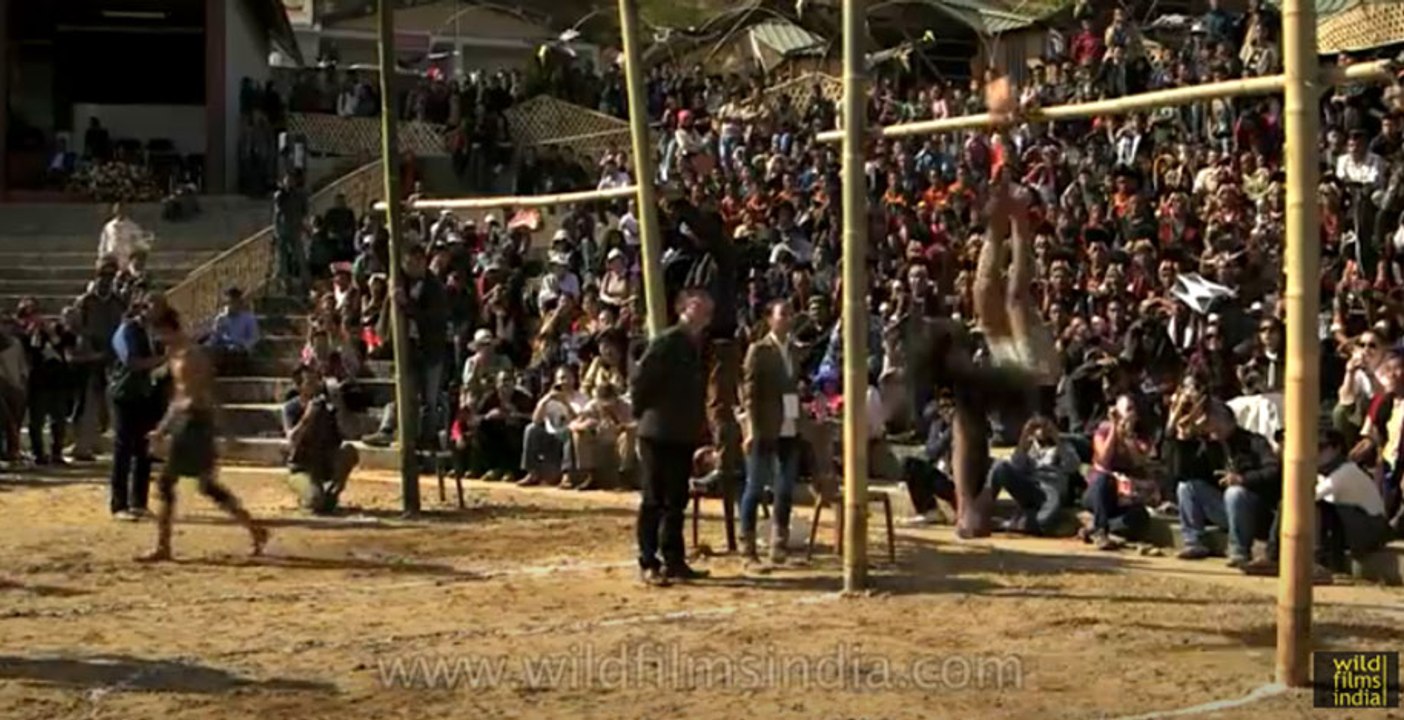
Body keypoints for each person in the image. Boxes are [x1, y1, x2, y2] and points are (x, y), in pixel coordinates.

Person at [141, 306, 267, 561]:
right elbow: (179, 397)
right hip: (188, 422)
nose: (156, 338)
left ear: (166, 328)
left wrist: (225, 431)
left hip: (196, 423)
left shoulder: (192, 356)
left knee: (170, 483)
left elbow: (207, 394)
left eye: (157, 332)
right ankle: (254, 529)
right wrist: (162, 428)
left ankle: (164, 546)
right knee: (205, 485)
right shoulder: (176, 354)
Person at [631, 289, 713, 586]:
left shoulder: (699, 345)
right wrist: (642, 414)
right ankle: (648, 560)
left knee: (676, 500)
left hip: (683, 432)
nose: (702, 312)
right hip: (658, 431)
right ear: (682, 308)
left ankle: (674, 559)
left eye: (706, 309)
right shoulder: (666, 342)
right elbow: (642, 380)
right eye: (695, 305)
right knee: (653, 498)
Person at [740, 299, 802, 564]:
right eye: (782, 314)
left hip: (790, 422)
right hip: (765, 425)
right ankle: (748, 543)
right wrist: (751, 428)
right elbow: (749, 394)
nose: (787, 319)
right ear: (770, 319)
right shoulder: (759, 350)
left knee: (785, 486)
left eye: (790, 314)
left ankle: (779, 541)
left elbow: (795, 385)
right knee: (755, 486)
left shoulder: (795, 351)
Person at [108, 295, 163, 521]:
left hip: (144, 394)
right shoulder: (128, 330)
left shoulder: (153, 333)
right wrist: (164, 359)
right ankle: (119, 504)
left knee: (144, 449)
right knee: (124, 449)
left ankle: (139, 501)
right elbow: (132, 362)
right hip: (125, 394)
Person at [283, 365, 360, 514]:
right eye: (310, 383)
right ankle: (311, 498)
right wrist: (307, 417)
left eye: (317, 381)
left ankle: (332, 494)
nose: (316, 386)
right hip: (302, 468)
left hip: (325, 464)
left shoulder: (328, 404)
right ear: (299, 387)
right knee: (315, 500)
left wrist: (339, 407)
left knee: (349, 452)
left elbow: (350, 432)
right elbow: (292, 440)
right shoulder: (291, 408)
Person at [988, 416, 1080, 535]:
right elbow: (1017, 467)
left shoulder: (1065, 446)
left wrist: (1057, 438)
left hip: (1051, 491)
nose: (1042, 430)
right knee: (1000, 467)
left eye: (1045, 426)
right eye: (1036, 427)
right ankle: (983, 509)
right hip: (1032, 487)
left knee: (1046, 517)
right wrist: (1024, 437)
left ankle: (1010, 524)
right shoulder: (1029, 447)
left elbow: (1072, 466)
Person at [205, 288, 260, 370]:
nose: (231, 305)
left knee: (235, 354)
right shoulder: (221, 318)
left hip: (239, 350)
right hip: (223, 349)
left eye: (234, 302)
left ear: (239, 302)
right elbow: (215, 337)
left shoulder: (248, 318)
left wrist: (244, 346)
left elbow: (254, 338)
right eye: (229, 303)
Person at [273, 173, 309, 296]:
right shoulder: (280, 195)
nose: (289, 183)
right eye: (287, 181)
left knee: (300, 256)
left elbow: (304, 212)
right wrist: (276, 232)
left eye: (291, 181)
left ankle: (305, 282)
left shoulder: (300, 195)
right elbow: (277, 214)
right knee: (282, 259)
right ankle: (285, 283)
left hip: (295, 229)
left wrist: (303, 226)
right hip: (283, 229)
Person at [97, 203, 150, 272]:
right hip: (112, 258)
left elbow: (139, 241)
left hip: (127, 257)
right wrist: (101, 255)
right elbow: (104, 241)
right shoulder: (109, 226)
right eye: (118, 210)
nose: (120, 212)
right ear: (114, 211)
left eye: (122, 210)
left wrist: (138, 254)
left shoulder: (132, 226)